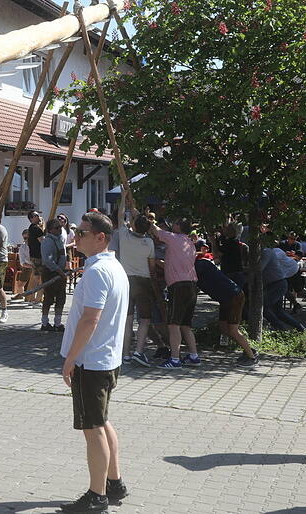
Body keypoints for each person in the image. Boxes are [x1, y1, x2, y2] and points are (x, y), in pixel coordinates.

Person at [59, 211, 129, 513]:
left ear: (100, 238)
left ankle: (97, 495)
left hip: (93, 361)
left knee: (93, 428)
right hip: (106, 358)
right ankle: (114, 483)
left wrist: (70, 359)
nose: (76, 238)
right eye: (76, 231)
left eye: (83, 233)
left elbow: (90, 319)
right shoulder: (111, 266)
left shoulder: (99, 271)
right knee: (101, 421)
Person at [150, 218, 201, 368]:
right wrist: (159, 262)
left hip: (178, 286)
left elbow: (156, 231)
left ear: (179, 227)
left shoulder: (173, 238)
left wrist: (148, 219)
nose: (172, 225)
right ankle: (193, 356)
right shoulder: (189, 243)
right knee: (186, 325)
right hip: (192, 284)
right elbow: (176, 262)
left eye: (174, 223)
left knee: (173, 325)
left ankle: (175, 359)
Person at [194, 258, 259, 367]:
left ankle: (251, 358)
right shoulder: (200, 265)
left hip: (234, 297)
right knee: (223, 328)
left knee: (233, 330)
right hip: (225, 299)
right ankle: (250, 349)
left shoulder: (199, 266)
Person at [115, 206, 159, 367]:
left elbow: (120, 217)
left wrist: (123, 199)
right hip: (143, 281)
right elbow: (152, 267)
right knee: (145, 319)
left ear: (133, 225)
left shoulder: (124, 236)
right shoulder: (148, 242)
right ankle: (139, 351)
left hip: (125, 280)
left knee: (127, 319)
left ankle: (125, 354)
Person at [260, 247, 306, 332]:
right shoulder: (267, 252)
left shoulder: (267, 251)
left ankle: (281, 329)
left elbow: (259, 269)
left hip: (277, 284)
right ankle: (300, 329)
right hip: (276, 283)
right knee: (278, 312)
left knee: (263, 307)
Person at [40, 219, 68, 332]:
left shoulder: (59, 240)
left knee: (61, 298)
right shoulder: (47, 241)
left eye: (60, 227)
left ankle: (58, 323)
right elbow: (48, 260)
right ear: (50, 230)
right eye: (56, 228)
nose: (59, 229)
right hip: (50, 273)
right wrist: (59, 271)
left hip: (60, 271)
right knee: (48, 298)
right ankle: (45, 323)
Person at [26, 211, 46, 306]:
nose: (39, 217)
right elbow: (43, 242)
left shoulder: (31, 228)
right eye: (36, 216)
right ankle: (38, 299)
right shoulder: (36, 229)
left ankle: (32, 298)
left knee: (35, 277)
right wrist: (43, 228)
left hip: (33, 255)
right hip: (38, 256)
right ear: (31, 218)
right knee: (41, 278)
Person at [12, 229, 33, 299]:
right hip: (27, 266)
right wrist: (31, 266)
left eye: (28, 238)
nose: (27, 240)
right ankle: (21, 295)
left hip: (36, 266)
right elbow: (22, 262)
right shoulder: (23, 247)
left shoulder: (36, 245)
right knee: (20, 284)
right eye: (25, 238)